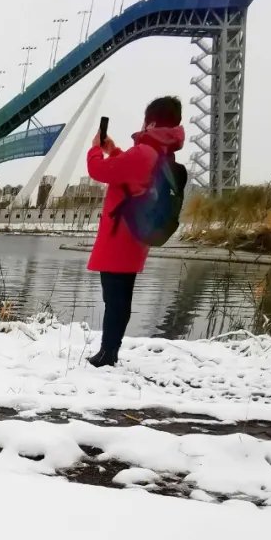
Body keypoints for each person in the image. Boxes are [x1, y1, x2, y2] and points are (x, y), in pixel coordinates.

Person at [85, 96, 185, 366]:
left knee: (114, 299)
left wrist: (95, 149)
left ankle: (107, 354)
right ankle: (110, 350)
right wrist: (115, 150)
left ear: (151, 121)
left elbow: (98, 170)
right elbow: (129, 174)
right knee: (121, 296)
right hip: (134, 236)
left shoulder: (144, 152)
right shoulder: (159, 152)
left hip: (120, 236)